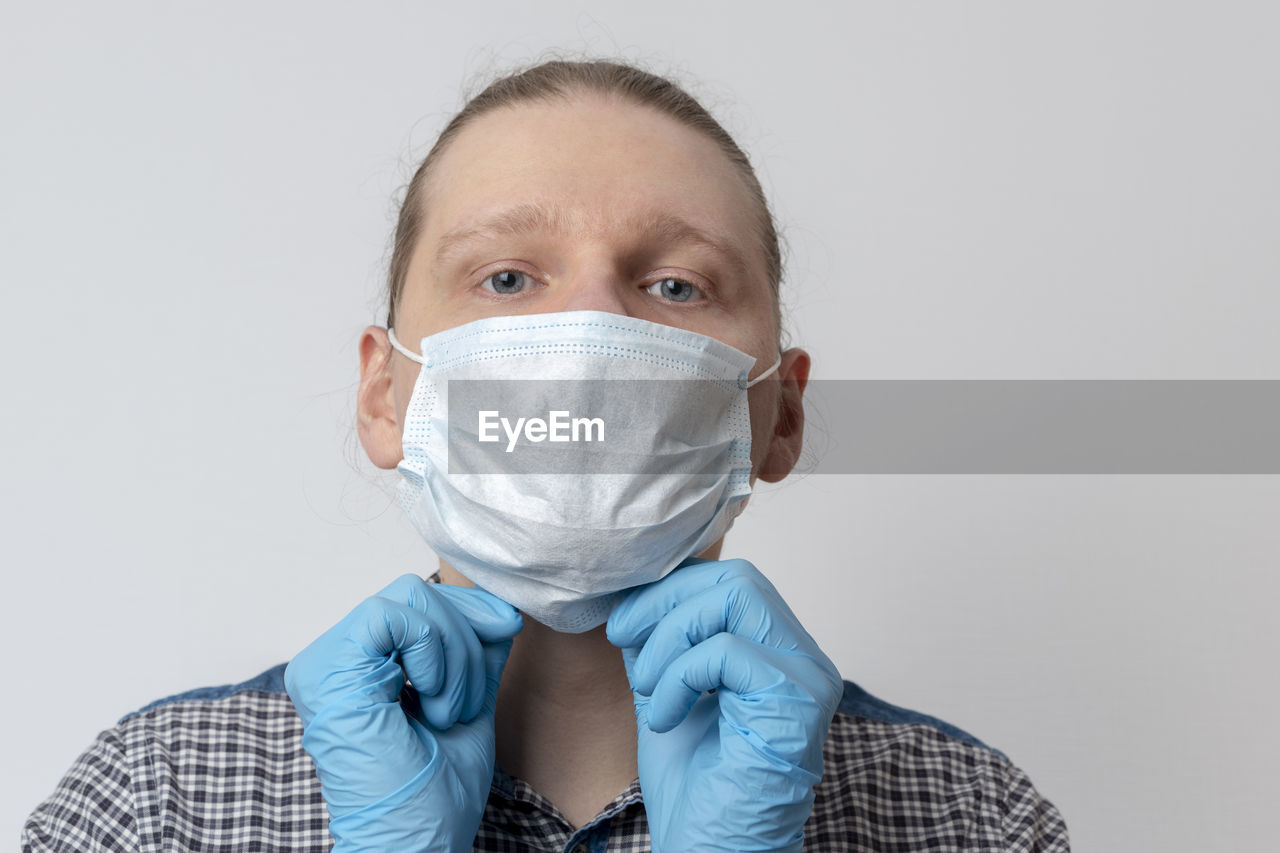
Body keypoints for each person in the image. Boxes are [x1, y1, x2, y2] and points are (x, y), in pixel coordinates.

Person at [22, 59, 1070, 852]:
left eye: (674, 286)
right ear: (384, 392)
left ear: (778, 412)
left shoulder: (966, 814)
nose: (585, 334)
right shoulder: (161, 797)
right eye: (508, 279)